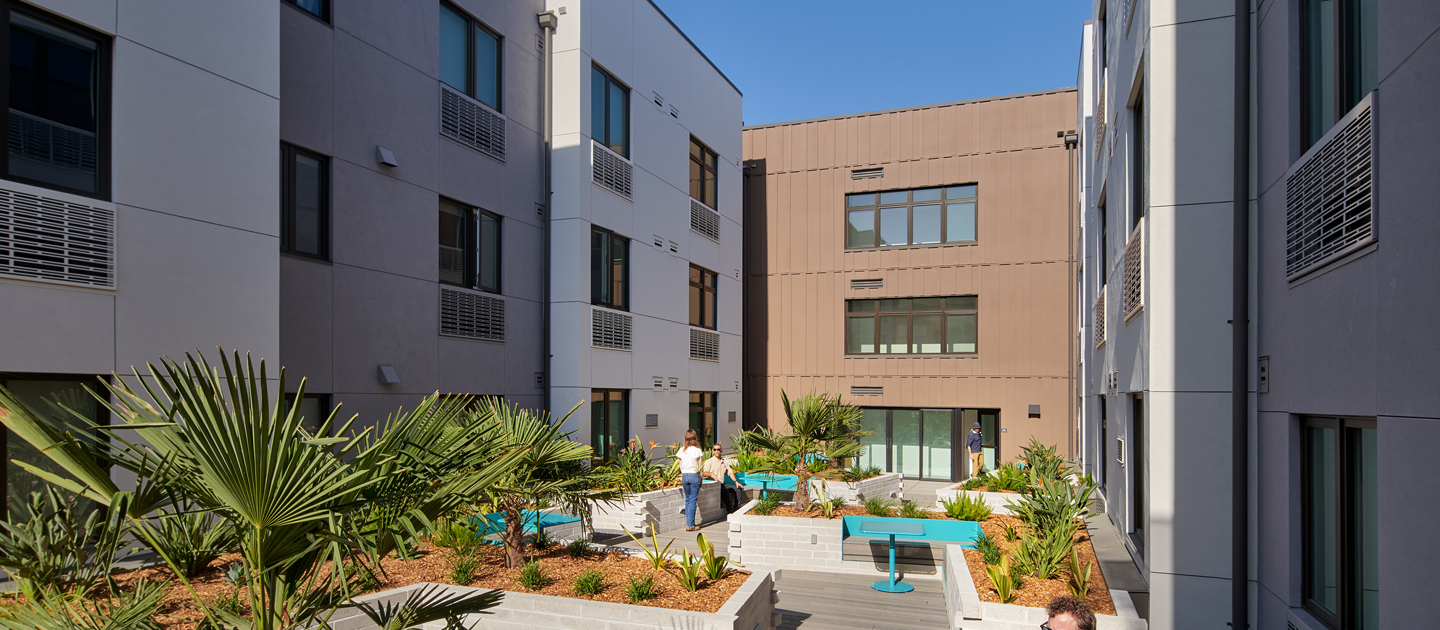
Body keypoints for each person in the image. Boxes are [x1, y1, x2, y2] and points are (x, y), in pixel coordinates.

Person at [676, 429, 705, 531]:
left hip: (685, 476)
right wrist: (701, 478)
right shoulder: (697, 450)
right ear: (694, 438)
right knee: (693, 500)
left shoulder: (681, 450)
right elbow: (700, 465)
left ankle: (689, 524)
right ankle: (691, 525)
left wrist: (683, 473)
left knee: (688, 500)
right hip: (694, 475)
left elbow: (680, 464)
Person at [702, 443, 741, 513]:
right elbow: (704, 473)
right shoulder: (709, 461)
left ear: (721, 451)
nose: (716, 451)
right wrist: (712, 474)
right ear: (713, 451)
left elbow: (730, 472)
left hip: (723, 484)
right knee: (724, 490)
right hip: (715, 485)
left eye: (718, 449)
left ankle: (737, 508)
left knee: (738, 488)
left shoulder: (724, 462)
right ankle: (730, 509)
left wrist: (736, 482)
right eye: (715, 449)